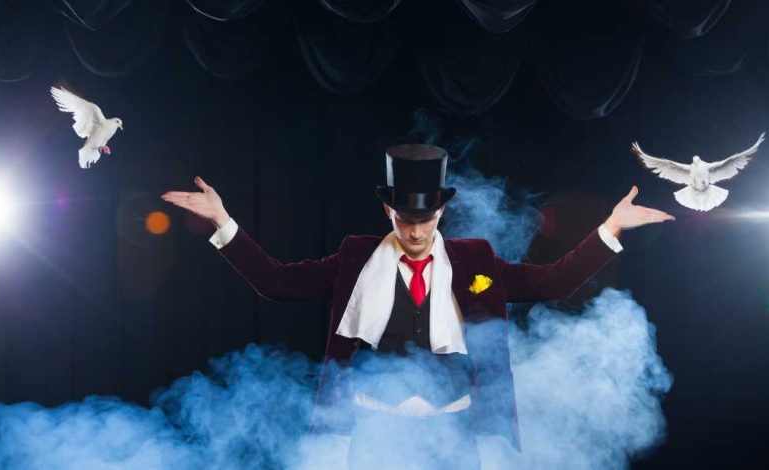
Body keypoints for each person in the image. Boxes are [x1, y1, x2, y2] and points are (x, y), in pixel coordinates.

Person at [162, 144, 674, 468]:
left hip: (455, 436)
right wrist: (223, 223)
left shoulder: (476, 260)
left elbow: (554, 284)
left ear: (443, 211)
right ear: (388, 209)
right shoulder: (355, 258)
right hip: (373, 435)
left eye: (425, 220)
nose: (414, 231)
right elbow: (274, 282)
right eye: (404, 218)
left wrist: (611, 230)